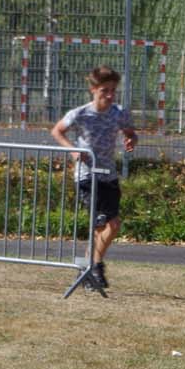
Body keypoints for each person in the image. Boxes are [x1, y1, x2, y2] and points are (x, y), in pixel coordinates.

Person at [51, 66, 137, 292]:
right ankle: (95, 267)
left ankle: (88, 268)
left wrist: (131, 139)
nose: (109, 96)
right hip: (87, 175)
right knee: (102, 222)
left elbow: (130, 131)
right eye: (104, 91)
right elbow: (57, 131)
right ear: (93, 90)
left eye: (113, 91)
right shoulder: (80, 113)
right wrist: (72, 150)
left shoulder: (119, 112)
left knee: (113, 225)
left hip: (108, 174)